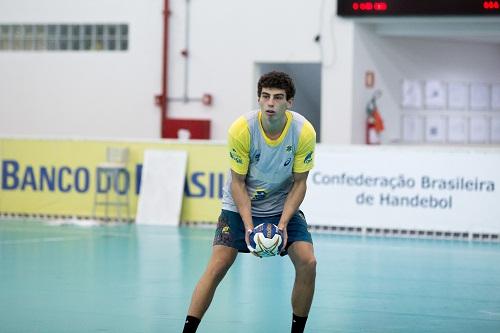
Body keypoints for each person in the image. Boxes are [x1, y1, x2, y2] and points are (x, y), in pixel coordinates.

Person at [182, 71, 317, 333]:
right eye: (265, 96)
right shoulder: (242, 129)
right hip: (240, 203)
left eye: (278, 98)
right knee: (218, 264)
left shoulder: (303, 132)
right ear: (259, 98)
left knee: (308, 262)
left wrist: (283, 223)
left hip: (281, 204)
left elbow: (300, 183)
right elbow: (237, 183)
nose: (270, 103)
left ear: (289, 103)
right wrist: (248, 227)